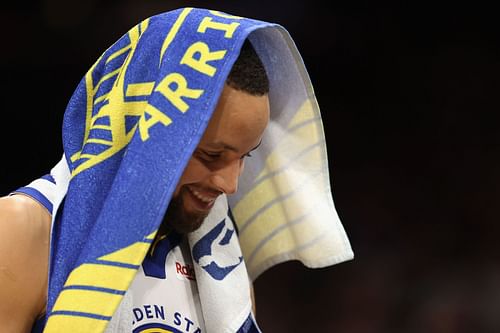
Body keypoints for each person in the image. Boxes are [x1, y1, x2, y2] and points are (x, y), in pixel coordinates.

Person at [0, 7, 353, 333]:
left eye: (244, 156)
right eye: (212, 156)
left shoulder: (224, 272)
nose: (230, 185)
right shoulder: (22, 231)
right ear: (145, 131)